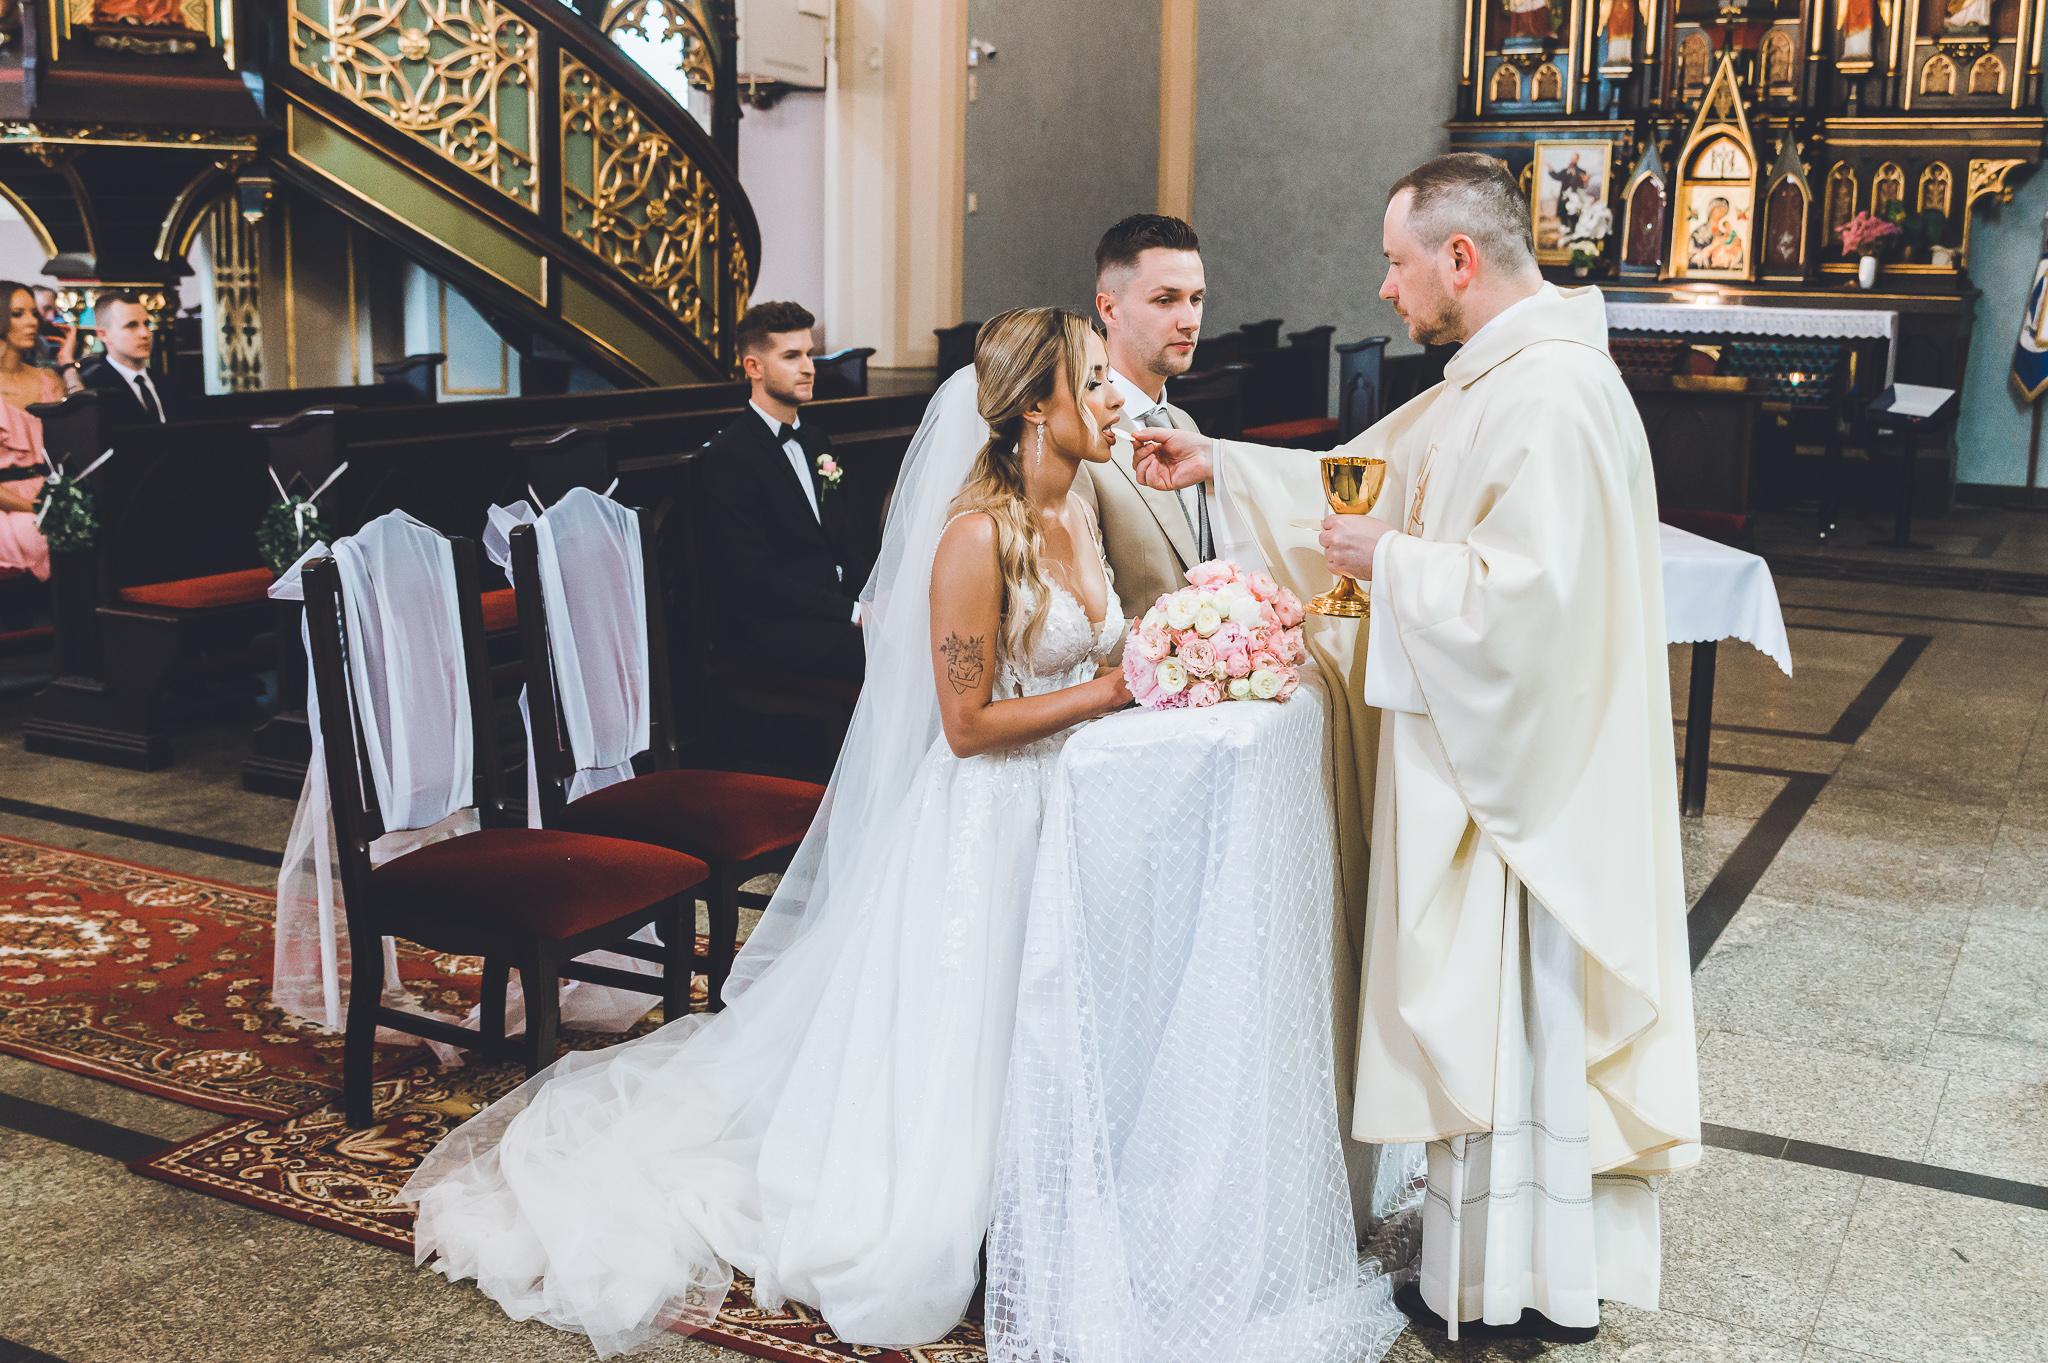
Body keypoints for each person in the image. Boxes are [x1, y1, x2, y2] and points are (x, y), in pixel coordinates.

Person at [402, 308, 1133, 1358]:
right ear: (1032, 406)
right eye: (1093, 381)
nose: (1114, 400)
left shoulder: (1084, 507)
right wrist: (1109, 692)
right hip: (989, 816)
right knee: (972, 1022)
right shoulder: (974, 535)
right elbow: (967, 725)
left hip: (1069, 808)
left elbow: (1094, 649)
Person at [1132, 152, 1700, 1338]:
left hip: (1524, 796)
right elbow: (1371, 473)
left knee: (1517, 1024)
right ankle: (1492, 1274)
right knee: (1500, 1036)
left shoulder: (1548, 393)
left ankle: (1518, 1288)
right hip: (1503, 776)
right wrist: (1223, 464)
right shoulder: (1497, 376)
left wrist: (1386, 562)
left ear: (1458, 257)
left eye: (1396, 264)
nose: (1385, 289)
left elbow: (1526, 604)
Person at [700, 300, 869, 684]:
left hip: (831, 611)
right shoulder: (731, 455)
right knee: (894, 655)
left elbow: (844, 542)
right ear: (753, 367)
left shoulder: (817, 441)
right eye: (792, 356)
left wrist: (872, 600)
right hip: (775, 629)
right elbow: (756, 579)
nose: (809, 367)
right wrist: (853, 613)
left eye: (809, 354)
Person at [1076, 214, 1226, 614]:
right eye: (1165, 300)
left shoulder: (1183, 423)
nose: (1190, 321)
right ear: (1110, 309)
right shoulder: (1078, 435)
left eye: (1196, 299)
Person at [0, 280, 76, 584]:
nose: (33, 321)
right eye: (18, 314)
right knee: (31, 531)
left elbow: (82, 428)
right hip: (6, 501)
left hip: (45, 490)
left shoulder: (48, 380)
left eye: (34, 313)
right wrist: (34, 507)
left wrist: (67, 364)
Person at [75, 290, 178, 424]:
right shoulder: (93, 387)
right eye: (131, 326)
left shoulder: (167, 383)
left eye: (147, 324)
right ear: (103, 335)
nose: (145, 334)